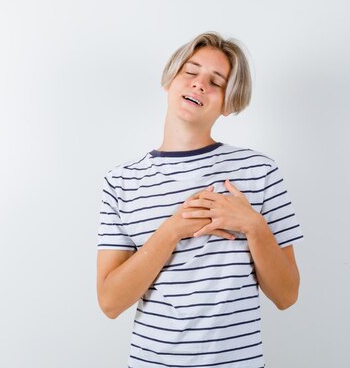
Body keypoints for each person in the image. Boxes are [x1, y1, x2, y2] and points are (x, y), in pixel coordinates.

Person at [96, 31, 304, 368]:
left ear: (228, 102)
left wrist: (253, 226)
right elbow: (110, 302)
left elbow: (287, 295)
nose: (199, 84)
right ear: (170, 81)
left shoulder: (259, 171)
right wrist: (172, 230)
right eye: (190, 72)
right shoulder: (121, 182)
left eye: (216, 81)